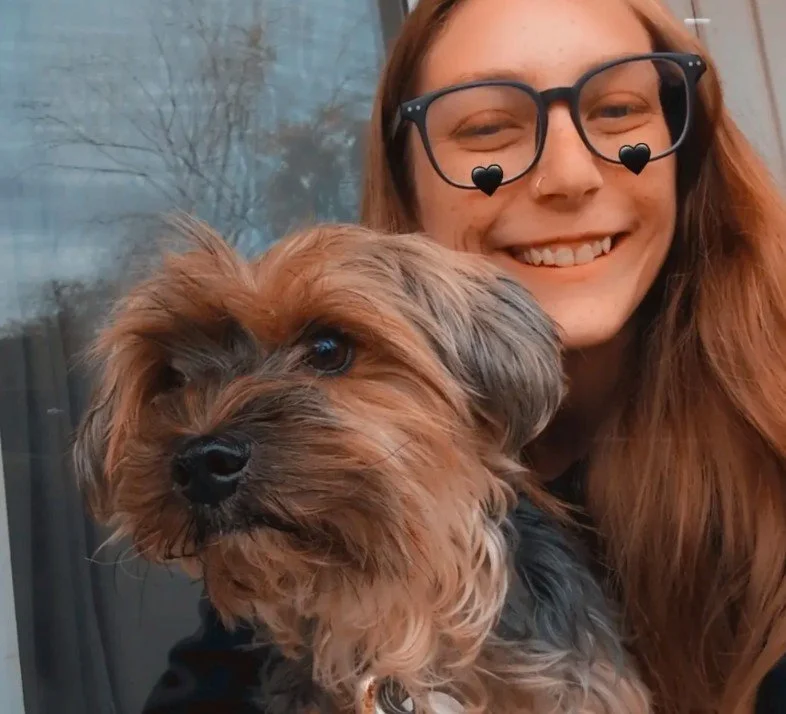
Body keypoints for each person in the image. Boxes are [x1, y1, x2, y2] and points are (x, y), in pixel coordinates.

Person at [141, 0, 786, 711]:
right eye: (486, 126)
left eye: (616, 111)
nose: (569, 174)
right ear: (408, 189)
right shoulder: (310, 531)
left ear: (683, 156)